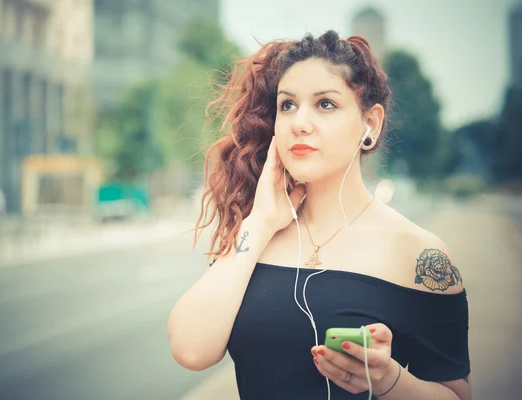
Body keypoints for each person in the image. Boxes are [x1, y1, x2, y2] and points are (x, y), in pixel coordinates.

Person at [167, 30, 471, 400]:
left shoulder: (420, 254)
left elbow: (457, 394)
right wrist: (261, 223)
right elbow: (191, 350)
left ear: (370, 124)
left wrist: (390, 381)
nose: (300, 122)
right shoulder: (256, 234)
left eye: (325, 104)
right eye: (287, 105)